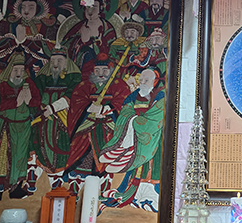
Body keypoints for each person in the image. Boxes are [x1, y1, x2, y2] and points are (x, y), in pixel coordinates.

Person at [99, 67, 165, 207]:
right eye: (141, 80)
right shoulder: (134, 95)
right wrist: (132, 120)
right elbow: (125, 111)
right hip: (135, 136)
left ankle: (154, 193)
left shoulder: (160, 96)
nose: (142, 83)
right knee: (134, 164)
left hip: (154, 138)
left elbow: (155, 118)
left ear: (155, 81)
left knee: (152, 167)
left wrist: (136, 121)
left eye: (146, 80)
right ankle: (128, 191)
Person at [65, 54, 130, 191]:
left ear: (110, 71)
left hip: (108, 126)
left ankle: (105, 188)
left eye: (105, 71)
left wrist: (106, 109)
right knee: (79, 151)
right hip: (88, 125)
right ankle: (75, 187)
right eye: (98, 71)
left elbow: (124, 103)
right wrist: (88, 107)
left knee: (108, 155)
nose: (101, 74)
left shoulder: (118, 85)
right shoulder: (85, 86)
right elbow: (77, 101)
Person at [0, 52, 41, 203]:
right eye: (16, 70)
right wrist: (16, 102)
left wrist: (29, 100)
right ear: (10, 70)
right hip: (6, 126)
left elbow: (37, 100)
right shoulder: (3, 85)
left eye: (21, 70)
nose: (18, 73)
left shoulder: (28, 84)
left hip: (23, 127)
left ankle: (15, 188)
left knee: (20, 156)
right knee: (2, 157)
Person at [32, 45, 81, 183]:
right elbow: (36, 94)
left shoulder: (74, 77)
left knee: (62, 141)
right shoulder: (43, 77)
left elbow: (72, 95)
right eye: (53, 60)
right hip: (43, 115)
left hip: (64, 116)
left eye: (59, 60)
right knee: (36, 136)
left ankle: (59, 175)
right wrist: (41, 108)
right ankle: (35, 170)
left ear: (65, 62)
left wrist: (53, 108)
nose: (55, 64)